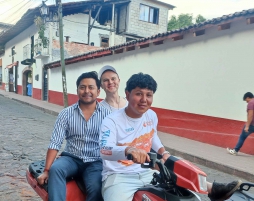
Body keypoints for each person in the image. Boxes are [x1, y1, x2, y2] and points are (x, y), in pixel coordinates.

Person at [100, 72, 242, 201]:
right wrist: (128, 150)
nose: (144, 100)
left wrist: (163, 152)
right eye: (138, 94)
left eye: (148, 95)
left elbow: (152, 135)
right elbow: (104, 150)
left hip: (147, 172)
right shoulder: (112, 121)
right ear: (128, 93)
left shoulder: (151, 115)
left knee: (177, 171)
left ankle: (212, 189)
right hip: (118, 177)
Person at [37, 71, 110, 201]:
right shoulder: (66, 114)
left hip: (95, 161)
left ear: (98, 91)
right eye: (82, 87)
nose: (86, 91)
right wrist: (47, 170)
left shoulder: (108, 115)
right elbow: (55, 143)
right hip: (71, 158)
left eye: (91, 87)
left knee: (97, 187)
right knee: (56, 170)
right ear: (77, 90)